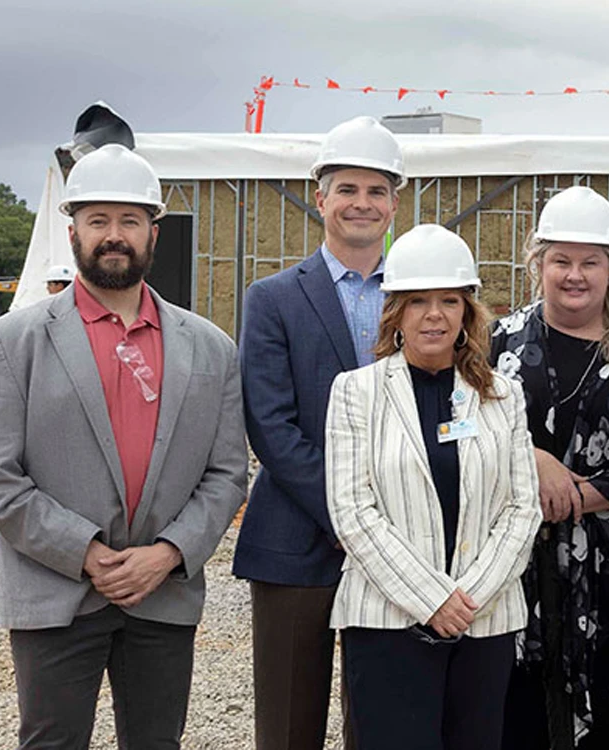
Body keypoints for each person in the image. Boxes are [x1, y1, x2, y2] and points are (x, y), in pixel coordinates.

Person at [0, 143, 247, 749]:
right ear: (72, 232)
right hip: (55, 594)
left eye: (128, 221)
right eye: (98, 221)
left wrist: (168, 553)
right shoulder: (12, 344)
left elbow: (226, 475)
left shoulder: (210, 348)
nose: (113, 236)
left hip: (161, 594)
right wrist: (87, 553)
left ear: (153, 232)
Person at [325, 223, 541, 750]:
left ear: (468, 311)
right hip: (386, 622)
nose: (435, 314)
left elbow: (522, 508)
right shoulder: (356, 392)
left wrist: (467, 599)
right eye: (418, 300)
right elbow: (353, 511)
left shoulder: (501, 396)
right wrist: (433, 599)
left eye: (449, 300)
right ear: (395, 310)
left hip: (483, 621)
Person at [232, 115, 404, 750]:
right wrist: (349, 515)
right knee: (287, 723)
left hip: (398, 540)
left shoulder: (419, 298)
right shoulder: (273, 298)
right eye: (348, 189)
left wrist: (385, 521)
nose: (362, 203)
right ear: (320, 197)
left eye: (377, 191)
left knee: (382, 719)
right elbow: (270, 425)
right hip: (298, 538)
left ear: (393, 202)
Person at [493, 186, 609, 750]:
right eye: (561, 260)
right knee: (516, 714)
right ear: (539, 263)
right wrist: (530, 458)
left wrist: (583, 495)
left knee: (603, 723)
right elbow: (466, 431)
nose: (574, 275)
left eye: (590, 262)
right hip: (514, 565)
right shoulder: (499, 343)